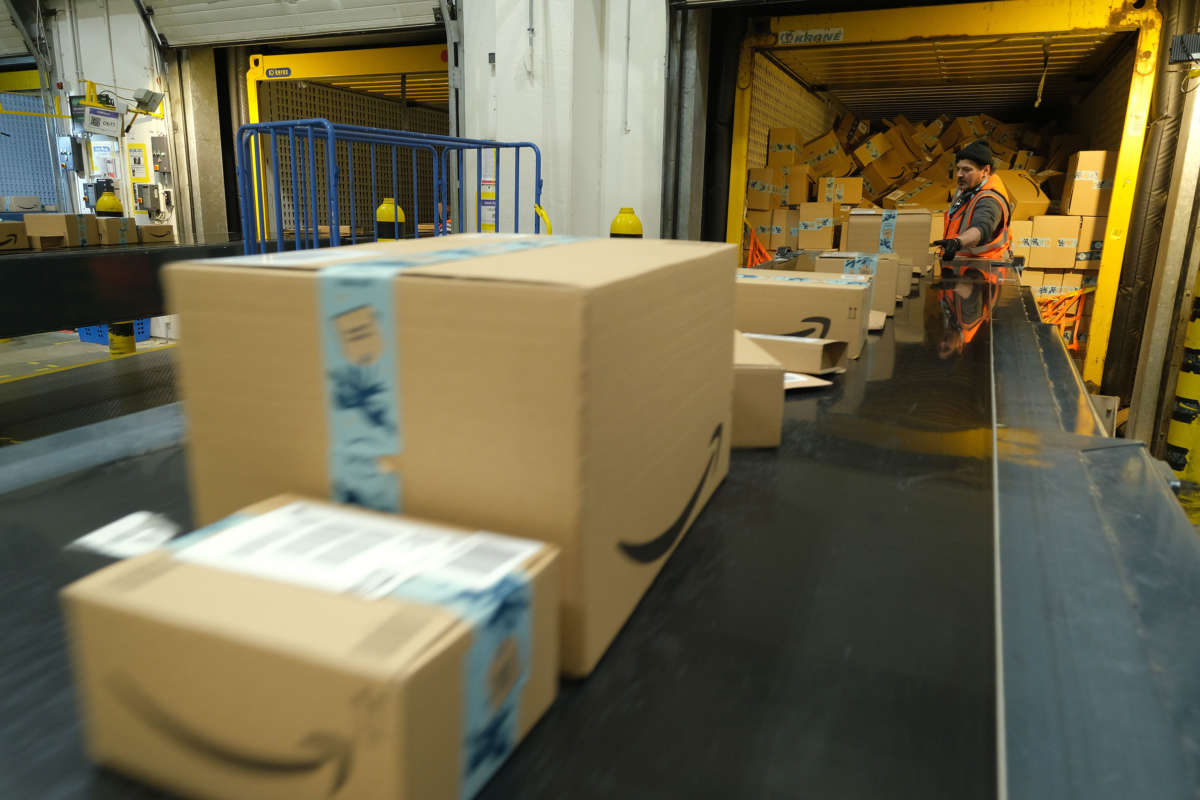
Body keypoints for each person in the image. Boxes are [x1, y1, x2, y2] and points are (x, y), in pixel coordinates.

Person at [935, 139, 1011, 261]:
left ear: (985, 171)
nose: (959, 174)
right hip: (962, 265)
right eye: (958, 169)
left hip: (984, 270)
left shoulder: (989, 199)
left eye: (966, 169)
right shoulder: (967, 188)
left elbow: (981, 228)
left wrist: (957, 242)